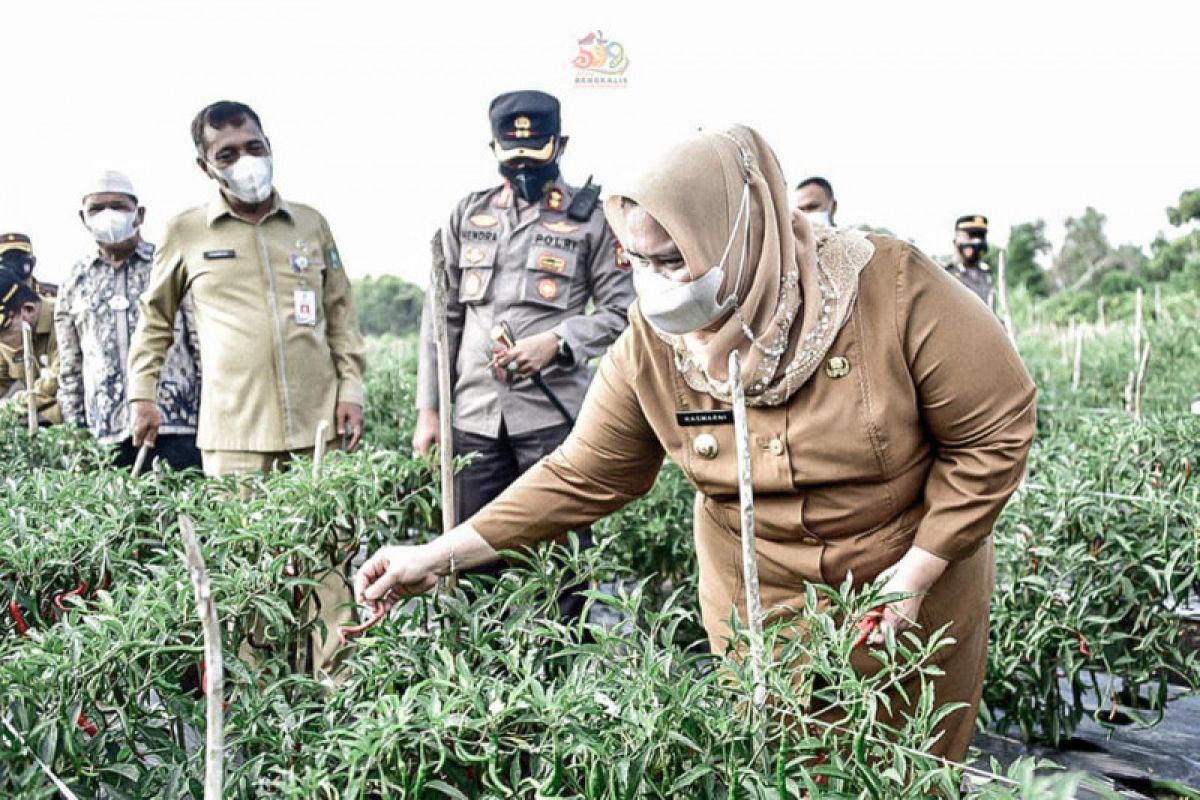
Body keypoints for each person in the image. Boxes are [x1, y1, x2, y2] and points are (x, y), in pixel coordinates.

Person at [357, 125, 1036, 762]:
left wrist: (916, 574)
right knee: (779, 764)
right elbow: (583, 472)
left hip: (905, 592)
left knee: (902, 767)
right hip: (761, 603)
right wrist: (438, 555)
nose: (657, 283)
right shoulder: (654, 345)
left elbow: (993, 432)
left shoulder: (889, 288)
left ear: (737, 234)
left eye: (675, 258)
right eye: (639, 260)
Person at [127, 100, 367, 677]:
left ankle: (340, 693)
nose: (246, 161)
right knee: (250, 575)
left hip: (318, 434)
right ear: (205, 166)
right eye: (227, 154)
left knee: (331, 572)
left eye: (253, 147)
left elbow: (341, 313)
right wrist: (143, 392)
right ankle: (262, 704)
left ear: (269, 144)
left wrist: (351, 388)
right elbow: (154, 319)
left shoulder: (310, 223)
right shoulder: (186, 231)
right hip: (234, 436)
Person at [412, 90, 635, 611]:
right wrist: (429, 410)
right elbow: (439, 318)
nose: (522, 170)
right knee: (469, 562)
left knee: (560, 570)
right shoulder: (467, 214)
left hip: (551, 417)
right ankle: (483, 681)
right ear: (493, 148)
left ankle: (560, 682)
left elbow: (625, 311)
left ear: (560, 145)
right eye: (511, 158)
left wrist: (557, 342)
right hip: (473, 416)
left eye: (535, 154)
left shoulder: (592, 219)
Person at [55, 171, 202, 472]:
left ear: (140, 214)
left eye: (118, 206)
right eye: (96, 209)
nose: (108, 214)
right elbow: (69, 367)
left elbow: (200, 343)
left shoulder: (168, 266)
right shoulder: (75, 282)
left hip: (176, 425)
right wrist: (76, 431)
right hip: (106, 434)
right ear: (83, 218)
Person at [0, 266, 60, 423]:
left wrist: (10, 407)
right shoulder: (7, 337)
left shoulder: (62, 319)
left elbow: (58, 381)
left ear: (28, 309)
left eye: (3, 331)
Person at [947, 214, 994, 307]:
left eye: (981, 236)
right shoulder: (946, 274)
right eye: (971, 236)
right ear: (956, 240)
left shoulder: (985, 274)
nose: (977, 241)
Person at [0, 232, 57, 297]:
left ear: (33, 260)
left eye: (20, 256)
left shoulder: (55, 295)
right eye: (8, 258)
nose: (14, 263)